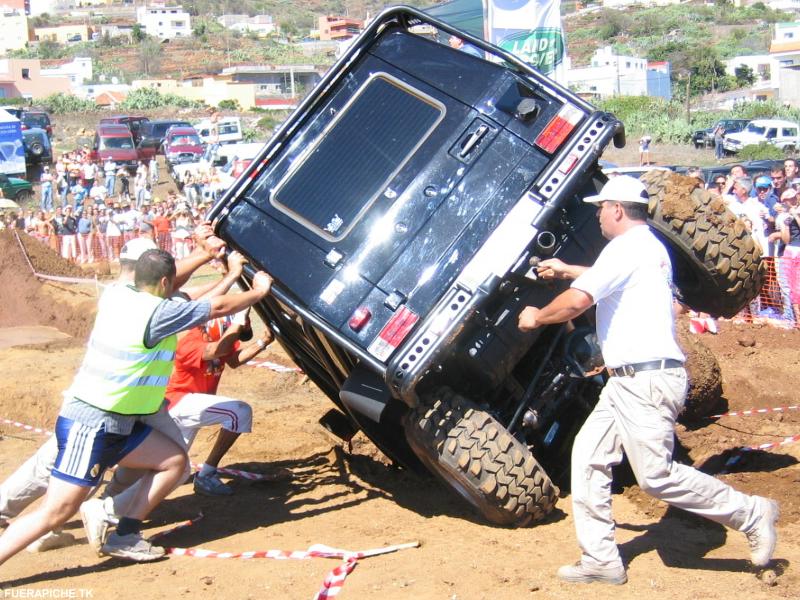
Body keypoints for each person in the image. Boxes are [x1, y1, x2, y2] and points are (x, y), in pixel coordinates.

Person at [517, 175, 779, 585]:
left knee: (656, 476)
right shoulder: (645, 248)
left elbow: (577, 302)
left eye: (602, 208)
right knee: (587, 459)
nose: (599, 214)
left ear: (617, 209)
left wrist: (536, 316)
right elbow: (613, 279)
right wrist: (571, 269)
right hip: (629, 380)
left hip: (644, 379)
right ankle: (601, 559)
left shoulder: (624, 248)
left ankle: (751, 513)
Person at [0, 246, 273, 567]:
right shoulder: (159, 313)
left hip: (117, 422)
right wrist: (258, 291)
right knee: (56, 511)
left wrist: (227, 273)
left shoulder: (119, 295)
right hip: (94, 424)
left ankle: (126, 535)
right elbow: (218, 305)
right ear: (165, 282)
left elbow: (191, 296)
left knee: (174, 462)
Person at [163, 310, 274, 496]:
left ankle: (119, 492)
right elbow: (217, 351)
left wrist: (264, 342)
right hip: (179, 404)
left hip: (192, 406)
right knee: (240, 412)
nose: (237, 334)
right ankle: (207, 474)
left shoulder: (218, 339)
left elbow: (232, 360)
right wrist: (241, 314)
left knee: (174, 471)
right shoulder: (191, 342)